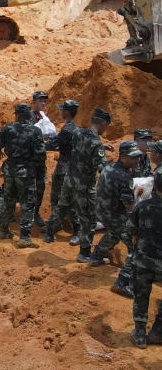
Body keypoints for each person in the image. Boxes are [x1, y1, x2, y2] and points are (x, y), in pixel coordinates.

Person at [48, 108, 111, 260]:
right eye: (107, 125)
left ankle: (49, 233)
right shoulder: (96, 144)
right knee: (88, 218)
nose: (106, 128)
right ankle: (84, 253)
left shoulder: (78, 133)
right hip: (84, 185)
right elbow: (103, 168)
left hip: (69, 178)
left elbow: (79, 150)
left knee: (62, 206)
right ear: (103, 123)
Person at [88, 140, 141, 298]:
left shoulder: (109, 167)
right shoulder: (125, 177)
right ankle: (122, 283)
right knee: (135, 247)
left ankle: (97, 256)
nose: (137, 160)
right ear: (123, 157)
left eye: (138, 157)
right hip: (114, 215)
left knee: (113, 233)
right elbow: (128, 205)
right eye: (133, 158)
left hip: (102, 212)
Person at [0, 104, 46, 247]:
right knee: (27, 204)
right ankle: (24, 237)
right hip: (26, 172)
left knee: (8, 201)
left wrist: (0, 151)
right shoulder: (35, 131)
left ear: (16, 115)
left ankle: (3, 230)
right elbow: (41, 154)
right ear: (29, 115)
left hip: (9, 170)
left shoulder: (8, 128)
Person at [129, 173, 162, 348]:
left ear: (155, 187)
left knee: (141, 296)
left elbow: (131, 230)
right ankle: (158, 332)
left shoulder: (143, 206)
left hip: (143, 260)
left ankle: (140, 335)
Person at [43, 99, 80, 243]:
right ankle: (56, 224)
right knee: (56, 197)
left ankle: (77, 231)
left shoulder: (67, 130)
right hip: (65, 167)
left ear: (66, 112)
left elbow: (53, 144)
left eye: (62, 109)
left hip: (67, 169)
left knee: (68, 201)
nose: (60, 111)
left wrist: (40, 141)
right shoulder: (72, 128)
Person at [29, 90, 50, 228]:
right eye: (40, 100)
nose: (43, 103)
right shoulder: (29, 117)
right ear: (34, 102)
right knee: (29, 186)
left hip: (40, 159)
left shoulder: (43, 117)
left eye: (44, 100)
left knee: (40, 186)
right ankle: (28, 214)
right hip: (30, 159)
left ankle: (35, 212)